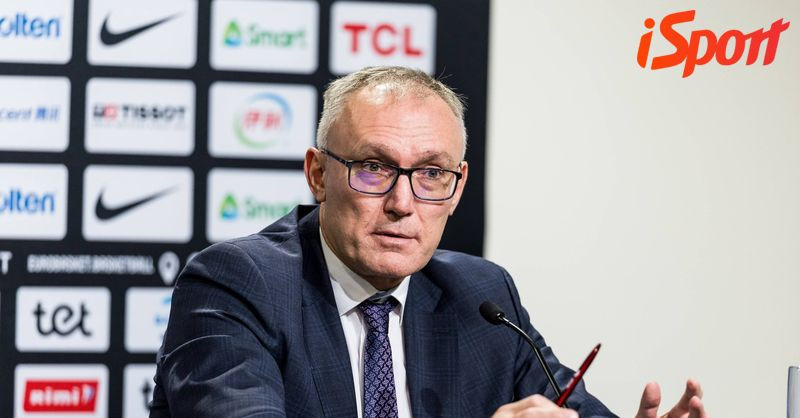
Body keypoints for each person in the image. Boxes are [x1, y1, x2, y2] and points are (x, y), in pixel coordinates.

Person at [149, 66, 708, 418]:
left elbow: (565, 406)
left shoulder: (481, 295)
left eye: (431, 173)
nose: (402, 202)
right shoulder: (238, 283)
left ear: (457, 187)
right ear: (318, 174)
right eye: (374, 167)